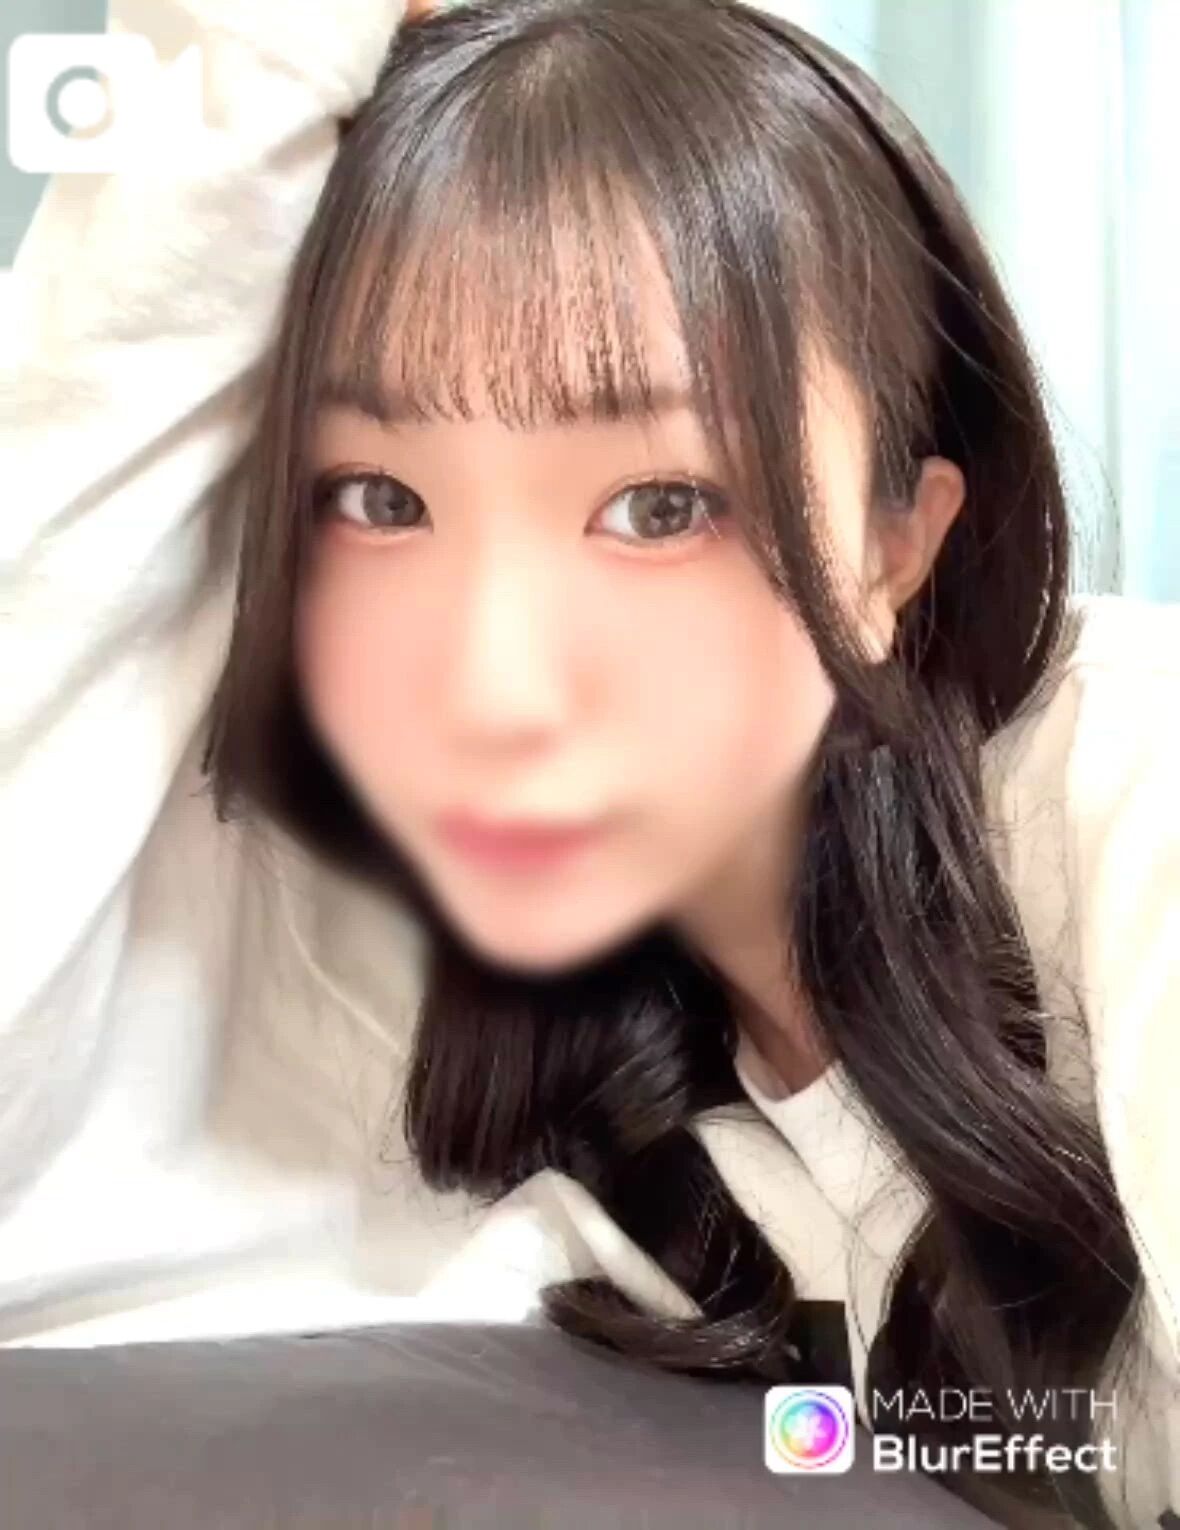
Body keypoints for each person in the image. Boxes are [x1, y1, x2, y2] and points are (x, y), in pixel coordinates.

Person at [2, 1, 1177, 1524]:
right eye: (379, 500)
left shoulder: (1134, 798)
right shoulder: (546, 1136)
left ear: (901, 541)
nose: (491, 681)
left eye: (660, 507)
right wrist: (252, 70)